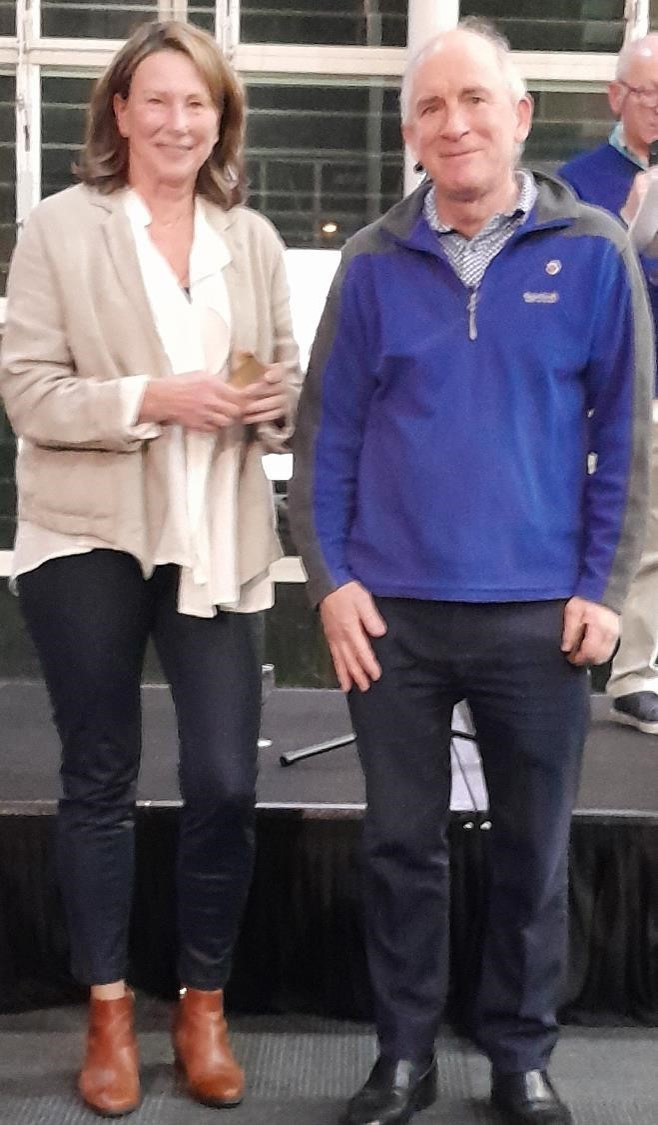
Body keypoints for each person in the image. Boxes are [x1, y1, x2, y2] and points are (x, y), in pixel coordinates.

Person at [289, 19, 652, 1125]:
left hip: (540, 618)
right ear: (411, 133)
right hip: (391, 619)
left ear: (521, 115)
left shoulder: (594, 251)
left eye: (475, 100)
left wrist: (602, 591)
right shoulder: (370, 264)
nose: (455, 124)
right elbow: (325, 438)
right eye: (431, 107)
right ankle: (403, 1057)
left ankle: (520, 1056)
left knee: (534, 854)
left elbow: (627, 440)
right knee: (400, 849)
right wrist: (330, 581)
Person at [0, 20, 300, 1118]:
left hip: (216, 534)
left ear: (222, 121)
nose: (179, 122)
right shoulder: (58, 228)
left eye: (199, 103)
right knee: (100, 774)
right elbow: (28, 391)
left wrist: (274, 404)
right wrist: (153, 398)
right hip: (88, 532)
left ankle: (202, 1007)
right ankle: (110, 1013)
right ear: (120, 112)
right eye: (158, 100)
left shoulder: (251, 238)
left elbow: (284, 381)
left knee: (225, 777)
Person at [559, 35, 658, 735]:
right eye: (649, 93)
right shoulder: (579, 180)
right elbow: (575, 283)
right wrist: (627, 227)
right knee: (642, 527)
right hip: (627, 383)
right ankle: (635, 673)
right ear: (615, 96)